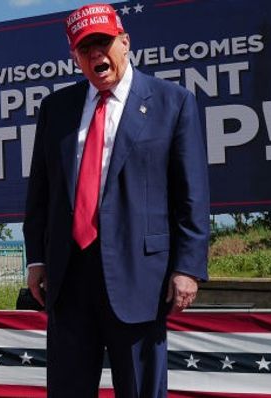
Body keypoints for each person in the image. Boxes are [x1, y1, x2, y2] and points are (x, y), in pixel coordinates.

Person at [23, 4, 210, 397]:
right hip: (68, 279)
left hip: (140, 278)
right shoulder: (55, 109)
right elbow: (41, 192)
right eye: (84, 48)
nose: (95, 55)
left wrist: (188, 267)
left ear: (125, 42)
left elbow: (191, 194)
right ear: (74, 57)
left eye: (103, 43)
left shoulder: (172, 103)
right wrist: (37, 259)